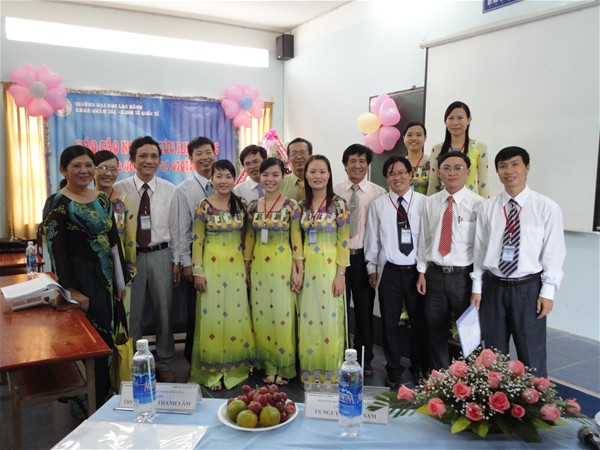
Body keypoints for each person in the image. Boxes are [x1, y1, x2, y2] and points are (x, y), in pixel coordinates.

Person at [43, 145, 126, 409]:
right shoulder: (57, 203)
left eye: (89, 165)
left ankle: (103, 398)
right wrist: (73, 291)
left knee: (106, 341)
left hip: (106, 280)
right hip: (80, 281)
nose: (84, 171)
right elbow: (56, 251)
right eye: (76, 166)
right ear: (63, 170)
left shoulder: (102, 199)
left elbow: (114, 242)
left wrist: (121, 281)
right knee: (87, 344)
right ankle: (86, 404)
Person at [471, 146, 565, 377]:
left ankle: (536, 398)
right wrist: (477, 287)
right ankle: (496, 398)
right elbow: (480, 251)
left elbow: (554, 253)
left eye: (515, 164)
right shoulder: (487, 208)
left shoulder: (546, 208)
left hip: (528, 289)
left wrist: (548, 292)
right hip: (493, 288)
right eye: (503, 166)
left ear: (527, 168)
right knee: (493, 355)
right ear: (497, 171)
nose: (509, 171)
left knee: (531, 353)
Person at [113, 136, 179, 383]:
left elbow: (176, 229)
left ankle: (164, 361)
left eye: (154, 156)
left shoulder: (170, 190)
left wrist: (176, 262)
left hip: (161, 255)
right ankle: (134, 362)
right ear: (132, 160)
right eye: (143, 156)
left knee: (164, 311)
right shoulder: (119, 190)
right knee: (133, 313)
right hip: (132, 258)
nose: (148, 161)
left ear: (160, 160)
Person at [190, 160, 255, 390]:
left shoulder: (242, 204)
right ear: (212, 180)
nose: (224, 181)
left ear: (235, 179)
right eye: (219, 176)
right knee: (212, 317)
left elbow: (249, 236)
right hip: (211, 268)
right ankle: (212, 372)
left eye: (228, 176)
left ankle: (234, 369)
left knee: (237, 316)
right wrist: (198, 271)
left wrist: (246, 265)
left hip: (235, 268)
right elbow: (197, 241)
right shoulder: (203, 206)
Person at [364, 155, 429, 389]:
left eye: (401, 172)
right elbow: (373, 238)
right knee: (389, 323)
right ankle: (393, 369)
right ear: (386, 178)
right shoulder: (379, 205)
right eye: (392, 174)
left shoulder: (424, 203)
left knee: (419, 322)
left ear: (410, 174)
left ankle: (419, 366)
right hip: (390, 271)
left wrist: (423, 270)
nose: (397, 177)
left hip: (416, 272)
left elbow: (427, 240)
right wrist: (371, 266)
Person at [417, 152, 484, 371]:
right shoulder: (431, 203)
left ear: (467, 172)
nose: (452, 172)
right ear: (439, 172)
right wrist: (421, 271)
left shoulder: (479, 205)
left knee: (470, 334)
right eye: (446, 168)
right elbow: (424, 239)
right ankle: (442, 378)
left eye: (458, 168)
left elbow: (481, 250)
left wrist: (477, 287)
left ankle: (474, 380)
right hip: (434, 275)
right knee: (435, 330)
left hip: (463, 278)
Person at [244, 157, 303, 385]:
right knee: (262, 316)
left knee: (282, 316)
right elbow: (250, 237)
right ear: (260, 176)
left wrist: (298, 269)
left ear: (282, 176)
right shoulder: (252, 206)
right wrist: (246, 267)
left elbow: (296, 238)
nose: (270, 179)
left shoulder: (291, 206)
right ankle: (268, 366)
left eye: (275, 174)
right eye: (265, 174)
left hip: (282, 265)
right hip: (259, 266)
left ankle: (284, 367)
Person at [333, 144, 385, 376]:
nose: (357, 165)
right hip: (339, 260)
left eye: (362, 161)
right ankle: (340, 355)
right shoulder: (334, 192)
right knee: (339, 311)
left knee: (364, 312)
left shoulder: (378, 193)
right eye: (352, 161)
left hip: (364, 259)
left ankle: (365, 359)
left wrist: (375, 264)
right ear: (345, 165)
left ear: (368, 165)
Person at [298, 155, 350, 383]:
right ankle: (311, 371)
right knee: (308, 319)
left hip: (330, 269)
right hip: (308, 270)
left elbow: (344, 241)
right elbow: (297, 241)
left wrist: (341, 274)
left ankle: (330, 372)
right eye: (312, 172)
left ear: (329, 175)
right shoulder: (301, 206)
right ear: (306, 175)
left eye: (322, 171)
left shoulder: (339, 205)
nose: (317, 176)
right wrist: (298, 270)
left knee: (329, 320)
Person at [174, 136, 216, 364]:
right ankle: (194, 358)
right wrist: (187, 263)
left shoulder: (224, 184)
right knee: (196, 310)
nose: (205, 157)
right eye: (199, 154)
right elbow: (182, 230)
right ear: (191, 159)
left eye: (208, 152)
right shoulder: (184, 190)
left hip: (223, 256)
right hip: (196, 255)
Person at [93, 150, 137, 324]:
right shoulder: (84, 200)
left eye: (113, 169)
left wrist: (130, 270)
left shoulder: (125, 200)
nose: (109, 173)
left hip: (119, 268)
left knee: (120, 319)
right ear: (93, 170)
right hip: (93, 268)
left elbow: (130, 239)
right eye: (103, 168)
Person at [427, 101, 489, 198]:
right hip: (443, 202)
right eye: (451, 118)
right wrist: (429, 203)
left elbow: (483, 183)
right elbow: (433, 183)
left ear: (469, 120)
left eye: (460, 118)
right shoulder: (437, 149)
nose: (455, 123)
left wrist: (485, 205)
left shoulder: (479, 147)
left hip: (470, 203)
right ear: (445, 121)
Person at [404, 122, 430, 195]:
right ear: (404, 138)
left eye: (418, 135)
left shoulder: (432, 164)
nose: (414, 138)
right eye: (409, 135)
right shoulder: (399, 164)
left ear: (425, 138)